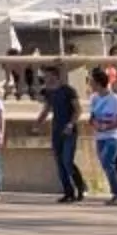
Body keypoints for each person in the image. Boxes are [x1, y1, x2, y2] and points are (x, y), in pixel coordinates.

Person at [86, 67, 117, 206]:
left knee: (107, 163)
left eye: (92, 82)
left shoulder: (115, 99)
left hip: (113, 136)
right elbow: (91, 117)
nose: (90, 84)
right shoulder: (94, 98)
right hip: (100, 137)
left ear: (98, 83)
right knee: (106, 165)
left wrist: (108, 127)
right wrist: (95, 124)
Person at [42, 68, 83, 203]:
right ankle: (68, 192)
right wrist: (37, 123)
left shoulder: (68, 91)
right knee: (60, 163)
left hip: (69, 131)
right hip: (56, 131)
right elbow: (47, 109)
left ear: (55, 76)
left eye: (47, 75)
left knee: (67, 161)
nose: (45, 79)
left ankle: (80, 187)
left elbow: (78, 109)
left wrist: (71, 124)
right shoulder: (49, 93)